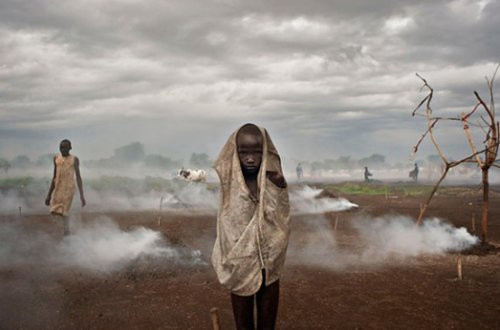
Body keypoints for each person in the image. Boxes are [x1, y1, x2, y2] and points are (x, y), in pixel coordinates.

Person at [212, 123, 290, 330]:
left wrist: (279, 186)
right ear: (234, 153)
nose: (250, 158)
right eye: (243, 152)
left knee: (267, 323)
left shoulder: (274, 182)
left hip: (269, 268)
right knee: (243, 323)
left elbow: (282, 221)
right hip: (239, 265)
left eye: (256, 152)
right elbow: (228, 226)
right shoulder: (229, 187)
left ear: (265, 151)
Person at [45, 139, 86, 235]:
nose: (62, 149)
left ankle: (66, 230)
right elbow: (54, 177)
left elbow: (78, 177)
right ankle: (65, 227)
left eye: (65, 147)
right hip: (58, 187)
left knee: (64, 211)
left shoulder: (74, 159)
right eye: (61, 147)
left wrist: (82, 196)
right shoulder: (56, 159)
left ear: (70, 148)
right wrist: (49, 195)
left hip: (69, 188)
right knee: (54, 210)